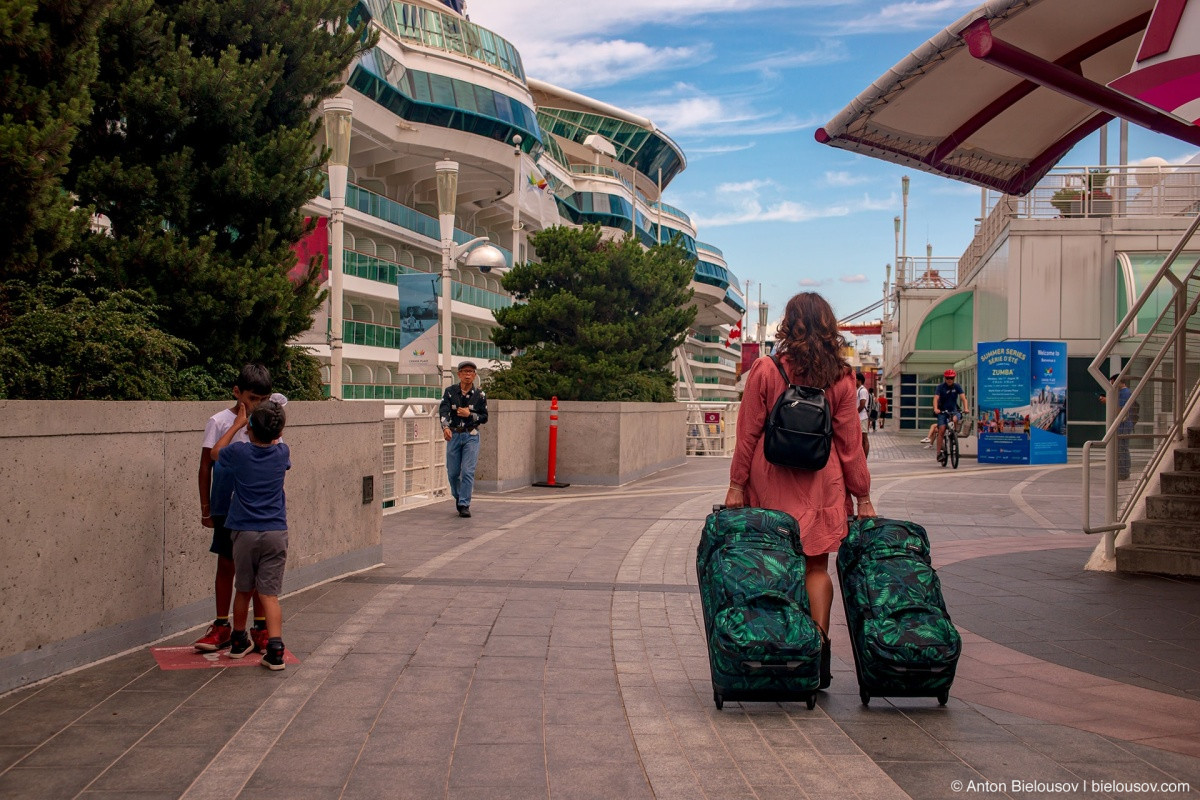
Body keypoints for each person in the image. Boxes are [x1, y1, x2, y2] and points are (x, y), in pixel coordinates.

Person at [724, 292, 875, 691]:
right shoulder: (843, 377)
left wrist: (736, 484)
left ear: (788, 325)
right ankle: (817, 654)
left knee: (772, 568)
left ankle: (777, 651)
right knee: (814, 569)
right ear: (830, 326)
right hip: (822, 484)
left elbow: (747, 434)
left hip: (772, 480)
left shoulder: (767, 369)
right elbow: (850, 445)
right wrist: (863, 495)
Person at [195, 364, 273, 653]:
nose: (257, 405)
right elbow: (206, 465)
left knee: (255, 569)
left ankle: (260, 627)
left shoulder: (267, 423)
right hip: (226, 507)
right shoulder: (218, 421)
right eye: (253, 398)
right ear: (237, 393)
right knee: (226, 564)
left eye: (264, 399)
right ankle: (221, 625)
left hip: (255, 509)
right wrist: (206, 509)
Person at [211, 399, 291, 670]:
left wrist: (237, 425)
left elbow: (215, 452)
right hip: (275, 532)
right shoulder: (282, 453)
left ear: (250, 429)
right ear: (279, 432)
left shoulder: (240, 453)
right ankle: (275, 649)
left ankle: (237, 640)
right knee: (269, 594)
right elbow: (278, 439)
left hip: (244, 532)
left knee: (243, 588)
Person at [439, 361, 488, 518]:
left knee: (468, 471)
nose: (468, 374)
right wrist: (445, 427)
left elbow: (484, 417)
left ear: (474, 375)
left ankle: (464, 504)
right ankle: (459, 496)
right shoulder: (450, 392)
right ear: (459, 374)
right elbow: (444, 411)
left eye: (471, 372)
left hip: (471, 435)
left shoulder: (480, 395)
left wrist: (471, 415)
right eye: (465, 371)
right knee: (453, 472)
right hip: (453, 434)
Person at [1101, 374, 1135, 480]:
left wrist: (1108, 402)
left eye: (1112, 382)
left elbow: (1121, 410)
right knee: (1120, 448)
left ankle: (1123, 472)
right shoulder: (1121, 393)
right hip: (1122, 424)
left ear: (1118, 381)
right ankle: (1122, 471)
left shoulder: (1125, 393)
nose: (1111, 384)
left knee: (1122, 448)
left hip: (1123, 425)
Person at [933, 369, 968, 459]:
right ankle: (939, 453)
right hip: (942, 411)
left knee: (955, 418)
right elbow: (936, 398)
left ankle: (954, 434)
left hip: (954, 410)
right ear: (945, 378)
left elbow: (963, 398)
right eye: (948, 378)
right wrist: (936, 408)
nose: (949, 380)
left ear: (954, 378)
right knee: (942, 429)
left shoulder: (957, 386)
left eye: (951, 378)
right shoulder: (940, 387)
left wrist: (966, 408)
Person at [856, 373, 871, 457]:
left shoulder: (863, 390)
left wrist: (854, 414)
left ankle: (865, 458)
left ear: (859, 380)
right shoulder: (857, 390)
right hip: (859, 417)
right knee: (860, 439)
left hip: (862, 417)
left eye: (855, 379)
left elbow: (862, 405)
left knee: (864, 438)